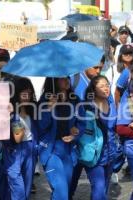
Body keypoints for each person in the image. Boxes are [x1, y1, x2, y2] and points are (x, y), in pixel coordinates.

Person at [38, 77, 85, 200]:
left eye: (67, 78)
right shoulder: (45, 100)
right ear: (54, 81)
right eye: (62, 79)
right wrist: (49, 108)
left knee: (66, 192)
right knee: (61, 192)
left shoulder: (75, 100)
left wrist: (75, 134)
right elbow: (41, 126)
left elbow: (81, 123)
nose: (67, 80)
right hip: (51, 151)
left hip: (69, 151)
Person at [69, 58, 104, 198]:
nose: (98, 71)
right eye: (95, 67)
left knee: (99, 184)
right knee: (70, 182)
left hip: (93, 141)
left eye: (101, 68)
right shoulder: (73, 80)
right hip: (75, 140)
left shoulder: (101, 82)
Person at [82, 75, 117, 200]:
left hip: (111, 153)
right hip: (94, 153)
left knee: (104, 188)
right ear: (94, 89)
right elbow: (80, 129)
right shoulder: (87, 107)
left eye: (107, 85)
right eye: (101, 86)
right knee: (98, 187)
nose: (106, 88)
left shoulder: (112, 104)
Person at [3, 77, 38, 200]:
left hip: (30, 150)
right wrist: (12, 116)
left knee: (27, 187)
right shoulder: (9, 111)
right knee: (18, 188)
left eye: (29, 93)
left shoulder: (33, 110)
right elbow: (17, 138)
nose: (27, 96)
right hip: (14, 152)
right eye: (24, 93)